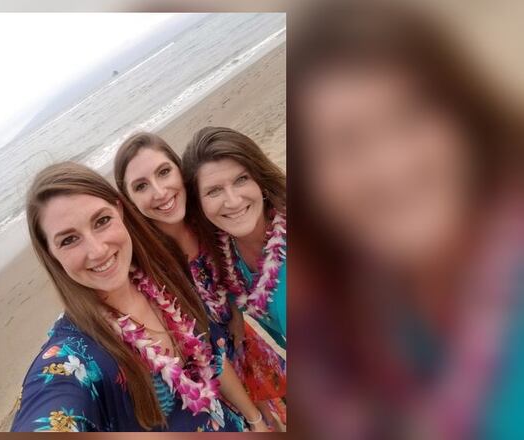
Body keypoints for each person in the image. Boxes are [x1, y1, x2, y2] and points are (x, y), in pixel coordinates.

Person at [287, 0, 524, 437]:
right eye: (346, 142)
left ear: (465, 118)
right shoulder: (363, 312)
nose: (389, 168)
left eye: (409, 117)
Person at [11, 162, 268, 432]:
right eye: (68, 240)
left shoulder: (164, 279)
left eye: (102, 221)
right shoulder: (74, 357)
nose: (97, 250)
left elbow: (213, 358)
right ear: (50, 253)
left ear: (119, 211)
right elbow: (50, 411)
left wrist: (255, 419)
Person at [114, 132, 286, 429]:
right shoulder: (146, 262)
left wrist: (234, 314)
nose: (159, 192)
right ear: (128, 200)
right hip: (216, 376)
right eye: (141, 186)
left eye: (164, 172)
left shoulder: (213, 219)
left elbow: (235, 276)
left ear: (181, 173)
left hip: (247, 347)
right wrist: (254, 415)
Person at [181, 127, 288, 352]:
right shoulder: (225, 254)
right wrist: (235, 312)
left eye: (241, 179)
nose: (233, 201)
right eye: (214, 191)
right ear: (199, 204)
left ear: (259, 180)